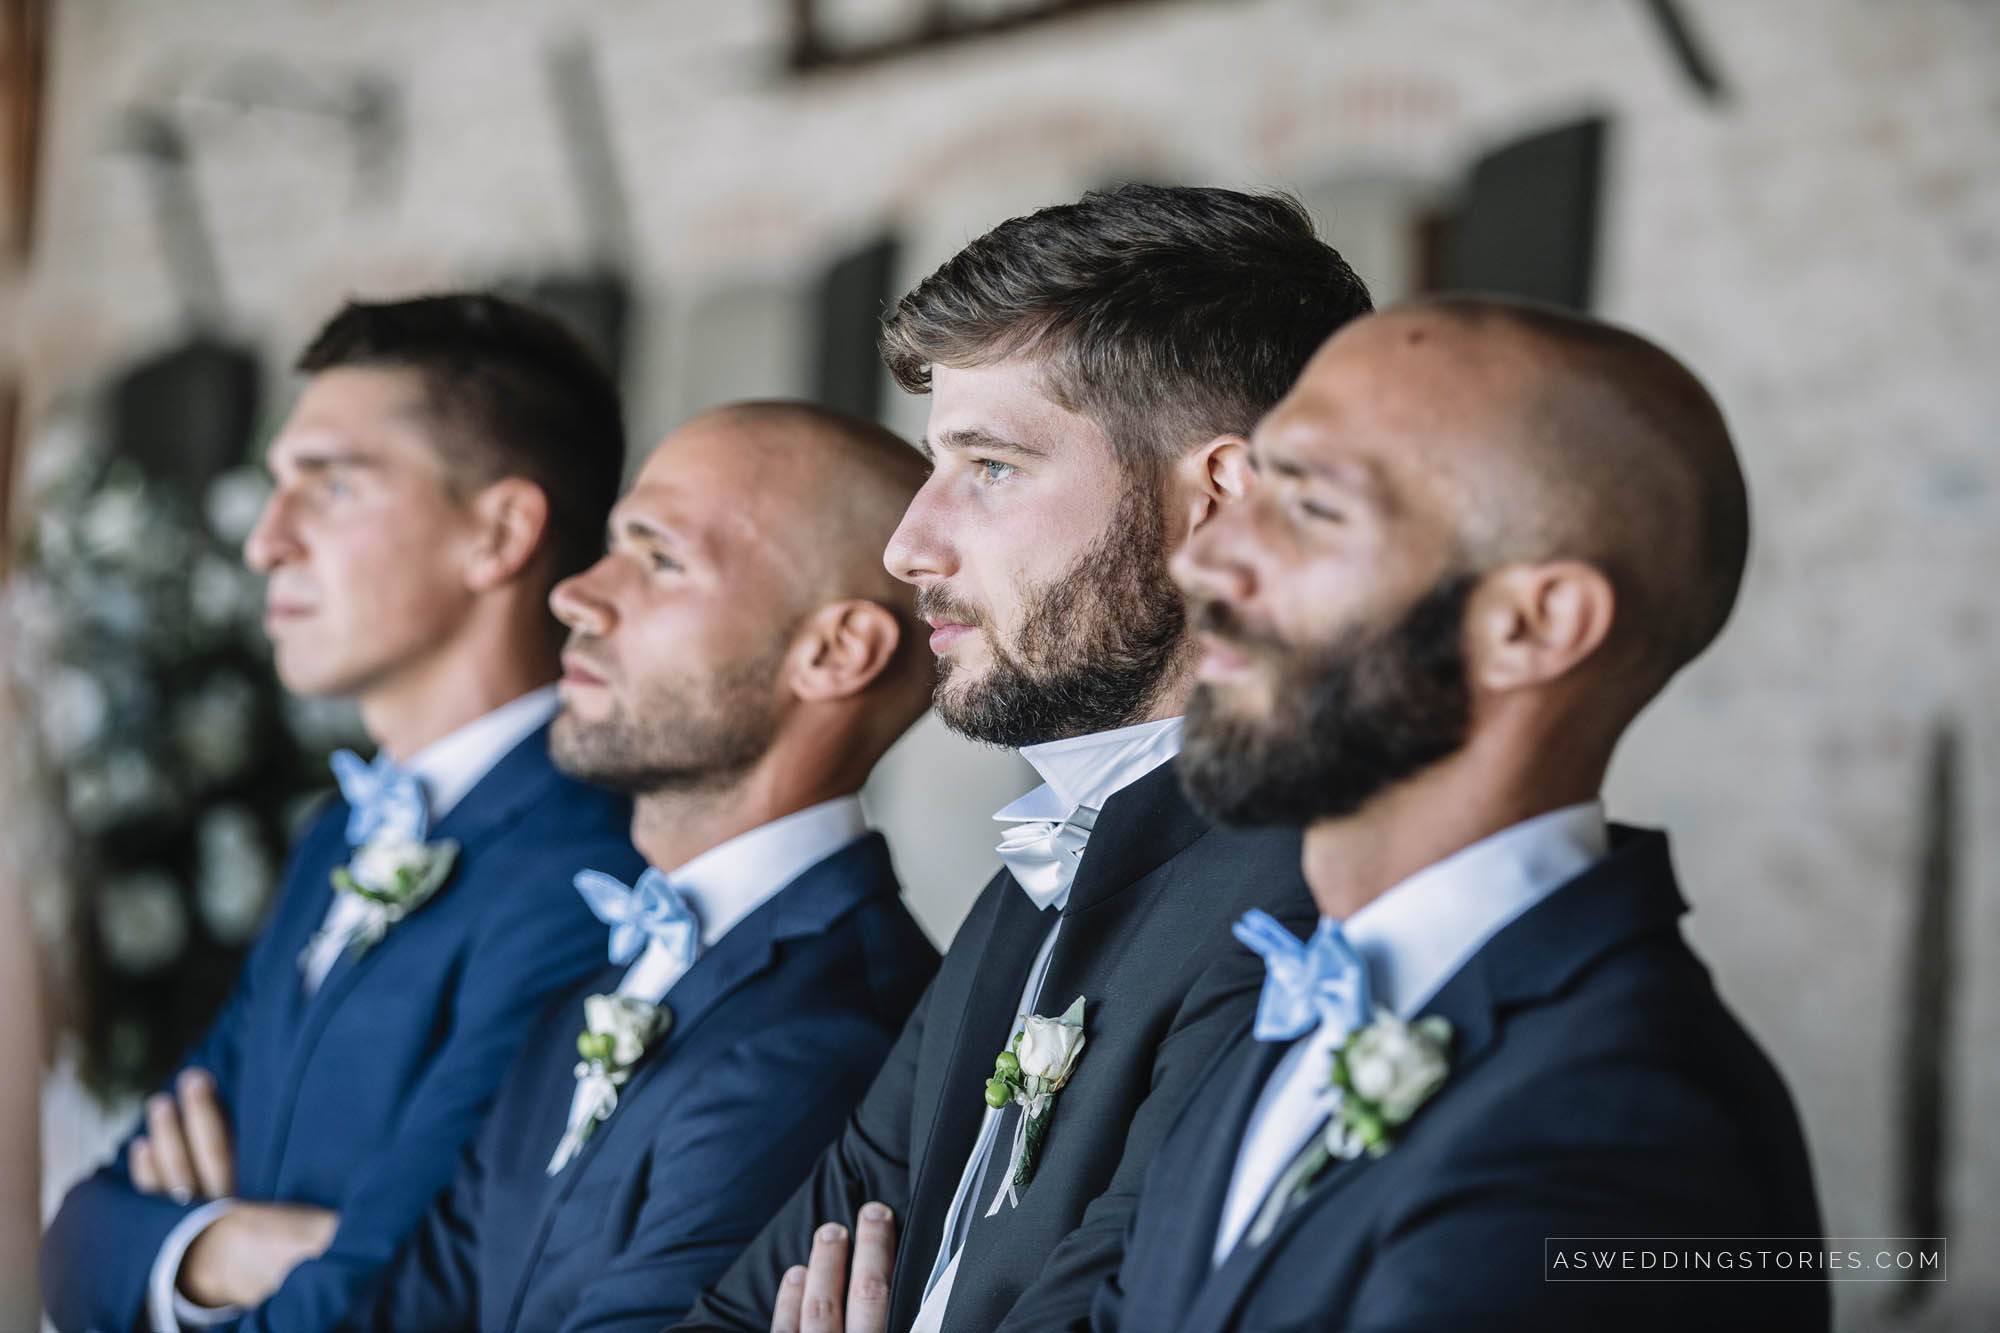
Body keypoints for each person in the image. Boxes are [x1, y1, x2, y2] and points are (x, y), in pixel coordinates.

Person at [676, 183, 1374, 1333]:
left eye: (989, 467)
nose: (908, 545)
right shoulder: (1026, 891)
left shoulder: (1308, 902)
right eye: (932, 465)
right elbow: (753, 1296)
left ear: (1218, 498)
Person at [1086, 297, 1827, 1331]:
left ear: (1532, 624)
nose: (1200, 559)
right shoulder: (1286, 996)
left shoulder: (1616, 1130)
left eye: (1311, 507)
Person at [41, 294, 646, 1333]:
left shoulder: (588, 864)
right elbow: (74, 1242)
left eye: (330, 485)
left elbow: (397, 1301)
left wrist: (191, 1243)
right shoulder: (338, 834)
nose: (266, 541)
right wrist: (224, 1248)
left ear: (498, 532)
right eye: (278, 485)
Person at [343, 402, 942, 1332]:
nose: (576, 595)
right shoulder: (608, 955)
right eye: (616, 545)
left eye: (659, 559)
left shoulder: (833, 1036)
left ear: (834, 652)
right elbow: (401, 1306)